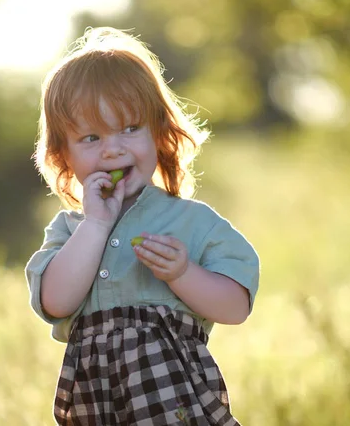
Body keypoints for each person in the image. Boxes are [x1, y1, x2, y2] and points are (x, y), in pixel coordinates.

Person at [25, 27, 260, 426]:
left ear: (159, 133)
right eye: (91, 137)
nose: (112, 148)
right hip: (95, 404)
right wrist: (96, 224)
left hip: (172, 399)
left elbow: (236, 307)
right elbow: (55, 303)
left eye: (130, 129)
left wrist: (184, 274)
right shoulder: (71, 231)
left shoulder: (190, 221)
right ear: (63, 155)